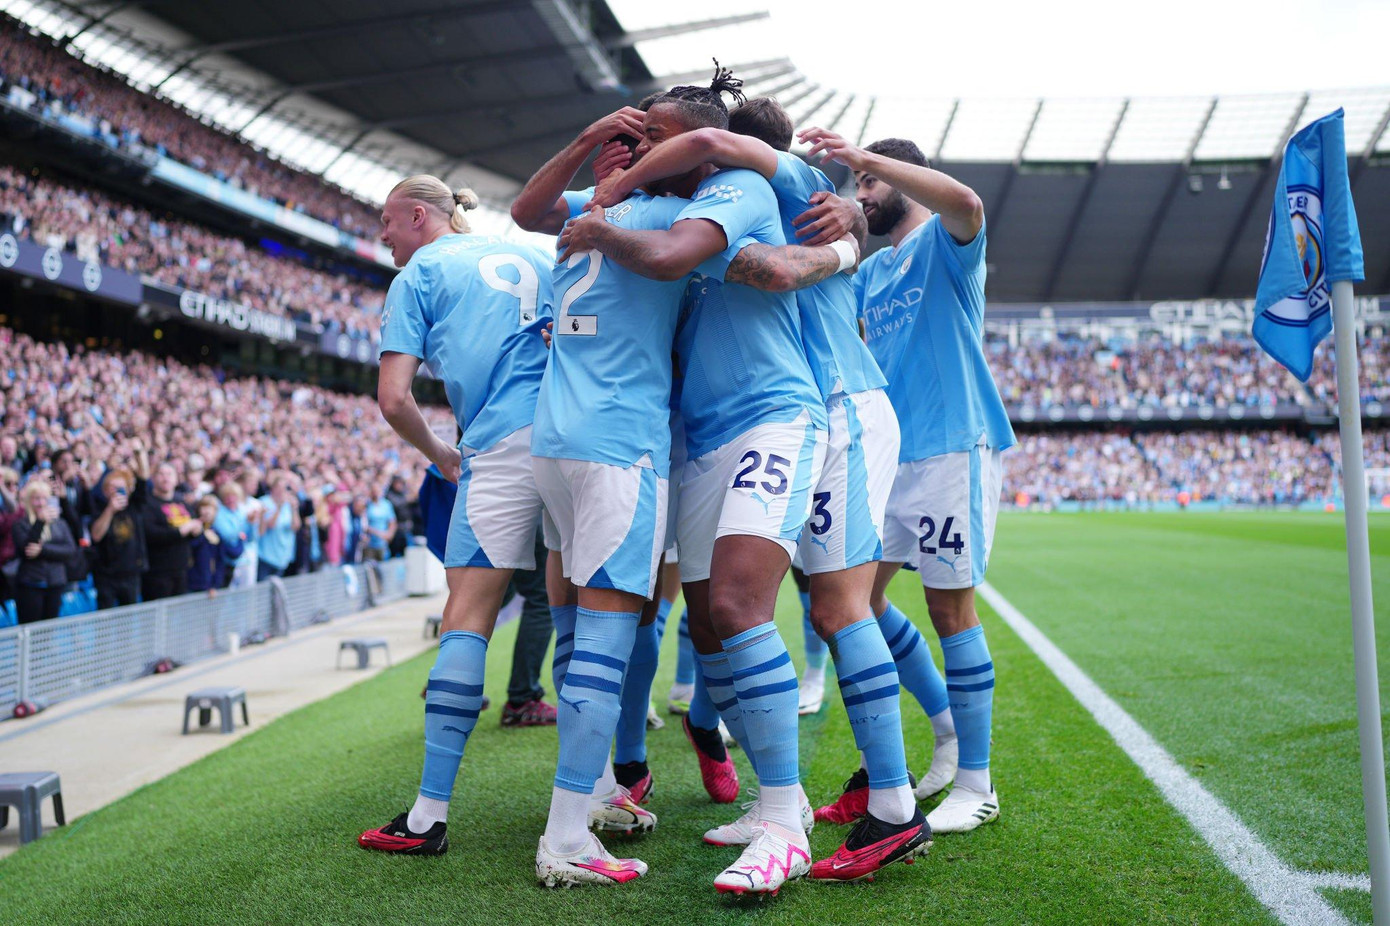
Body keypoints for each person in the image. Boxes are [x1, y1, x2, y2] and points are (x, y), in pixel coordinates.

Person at [591, 95, 926, 880]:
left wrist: (848, 240)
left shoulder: (780, 189)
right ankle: (804, 800)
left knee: (836, 603)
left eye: (666, 143)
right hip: (758, 419)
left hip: (836, 407)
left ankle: (892, 804)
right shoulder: (720, 206)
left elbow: (777, 268)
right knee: (733, 617)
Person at [554, 72, 856, 894]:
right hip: (693, 438)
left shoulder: (743, 185)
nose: (641, 144)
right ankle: (766, 804)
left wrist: (610, 197)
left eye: (655, 134)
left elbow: (752, 203)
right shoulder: (659, 207)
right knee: (712, 635)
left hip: (773, 414)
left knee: (736, 607)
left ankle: (788, 819)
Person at [801, 127, 1014, 834]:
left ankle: (976, 784)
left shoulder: (943, 243)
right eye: (856, 184)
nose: (860, 194)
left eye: (868, 184)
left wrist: (862, 156)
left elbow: (966, 201)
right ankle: (947, 731)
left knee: (951, 608)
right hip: (892, 454)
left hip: (954, 444)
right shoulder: (874, 269)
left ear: (901, 178)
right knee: (850, 602)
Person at [357, 175, 552, 861]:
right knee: (593, 612)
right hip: (581, 437)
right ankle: (605, 796)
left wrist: (440, 452)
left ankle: (427, 816)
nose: (382, 235)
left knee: (467, 614)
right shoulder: (534, 254)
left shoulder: (419, 274)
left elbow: (393, 399)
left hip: (497, 443)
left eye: (386, 221)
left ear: (417, 215)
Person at [11, 478, 77, 623]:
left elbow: (70, 550)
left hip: (56, 583)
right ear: (29, 500)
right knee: (31, 629)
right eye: (36, 498)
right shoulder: (20, 525)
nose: (41, 503)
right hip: (30, 584)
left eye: (44, 498)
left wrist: (42, 550)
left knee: (48, 631)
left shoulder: (60, 524)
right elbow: (27, 550)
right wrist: (39, 522)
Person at [141, 461, 200, 601]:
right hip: (157, 573)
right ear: (153, 478)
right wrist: (180, 532)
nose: (165, 478)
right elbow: (150, 533)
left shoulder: (182, 502)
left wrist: (196, 529)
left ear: (176, 479)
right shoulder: (147, 503)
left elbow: (194, 525)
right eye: (161, 474)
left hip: (181, 569)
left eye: (169, 474)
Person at [89, 468, 146, 609]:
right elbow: (96, 536)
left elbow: (143, 476)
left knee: (128, 617)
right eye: (112, 488)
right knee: (105, 619)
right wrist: (110, 510)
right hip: (106, 575)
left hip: (131, 574)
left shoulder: (134, 506)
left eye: (121, 488)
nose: (116, 491)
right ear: (105, 491)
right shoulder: (98, 508)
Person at [256, 473, 300, 581]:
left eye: (285, 488)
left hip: (283, 556)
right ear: (273, 488)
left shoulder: (288, 504)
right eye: (280, 488)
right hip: (266, 556)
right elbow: (270, 525)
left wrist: (294, 509)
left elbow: (295, 526)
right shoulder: (264, 502)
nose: (282, 491)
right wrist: (279, 507)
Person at [363, 484, 396, 562]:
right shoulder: (367, 505)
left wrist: (389, 534)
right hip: (370, 544)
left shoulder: (386, 504)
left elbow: (392, 521)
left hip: (382, 543)